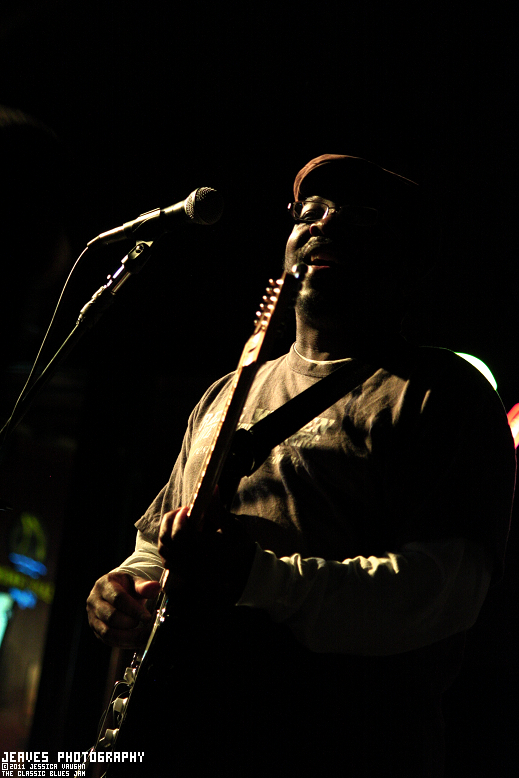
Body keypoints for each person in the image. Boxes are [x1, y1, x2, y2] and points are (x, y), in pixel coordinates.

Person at [86, 154, 516, 777]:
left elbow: (442, 592)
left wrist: (257, 579)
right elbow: (157, 544)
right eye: (309, 212)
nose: (323, 225)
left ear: (406, 259)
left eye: (357, 216)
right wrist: (125, 587)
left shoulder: (442, 395)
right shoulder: (225, 394)